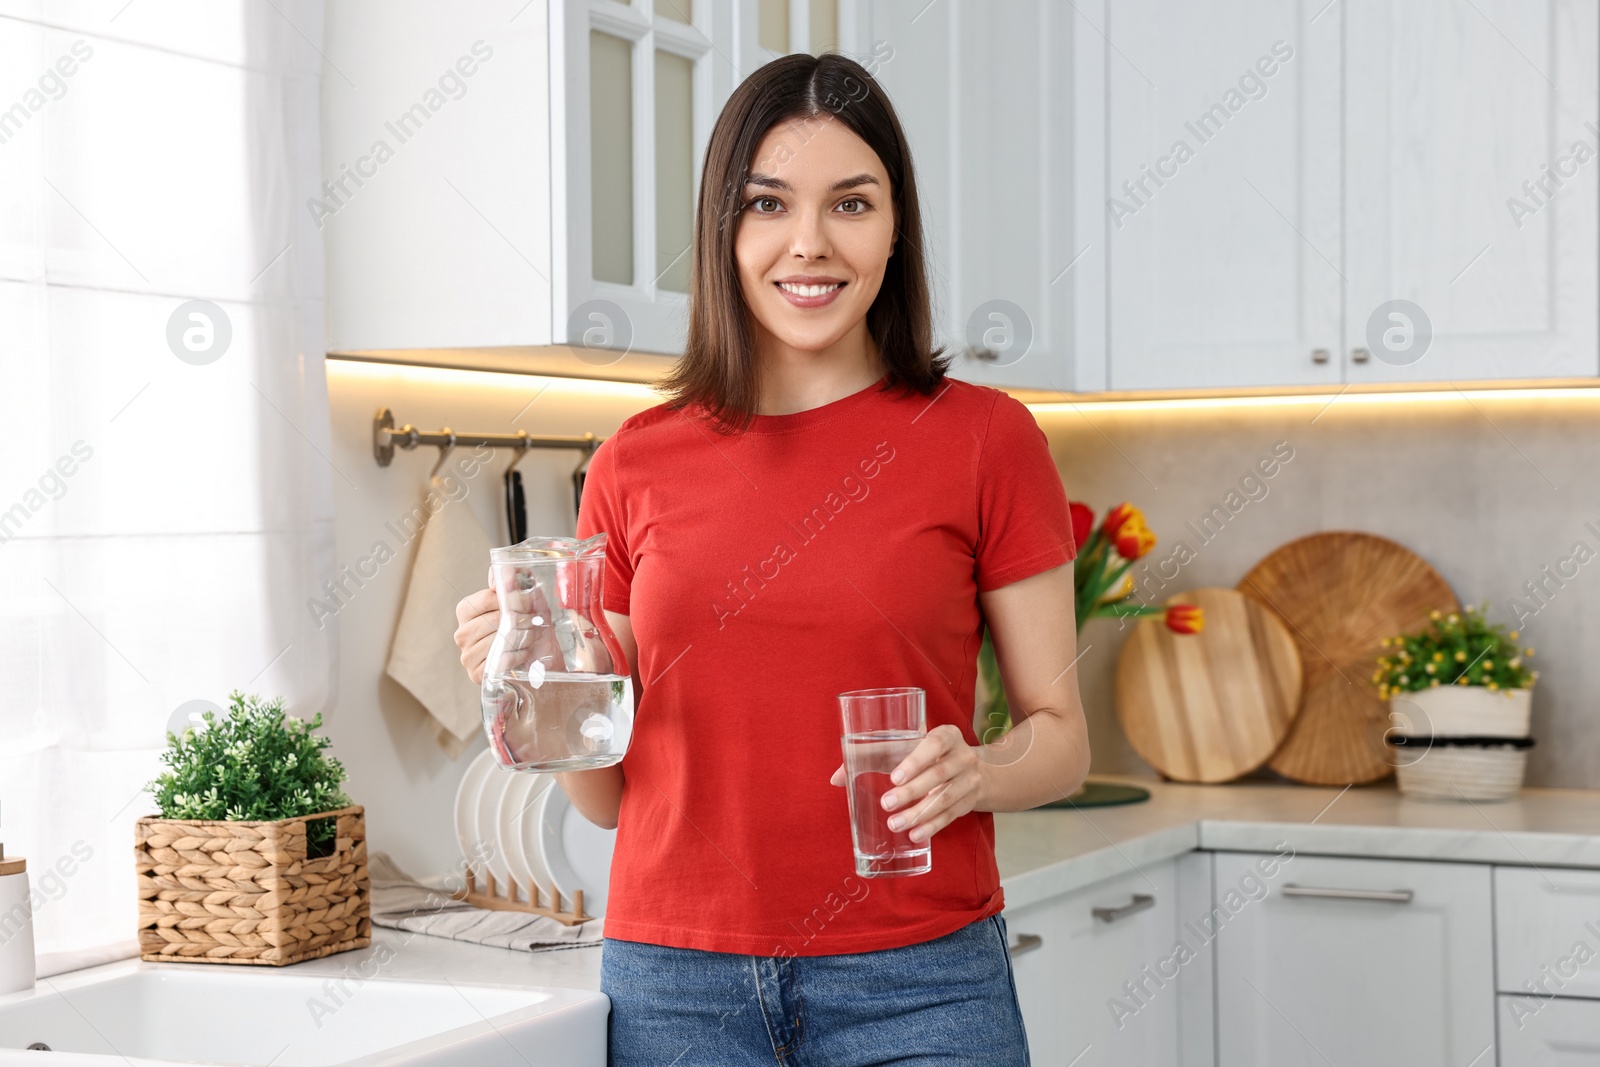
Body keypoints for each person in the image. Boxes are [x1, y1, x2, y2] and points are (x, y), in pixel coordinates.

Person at [453, 50, 1089, 1066]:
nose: (808, 243)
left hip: (918, 975)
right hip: (676, 980)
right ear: (723, 229)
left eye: (850, 203)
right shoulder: (634, 460)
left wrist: (974, 770)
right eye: (767, 204)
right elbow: (608, 791)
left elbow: (1060, 739)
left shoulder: (985, 439)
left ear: (895, 228)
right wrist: (532, 677)